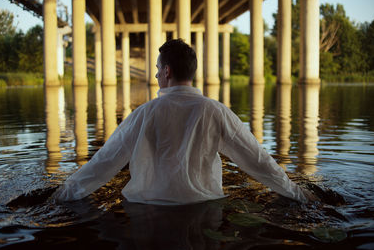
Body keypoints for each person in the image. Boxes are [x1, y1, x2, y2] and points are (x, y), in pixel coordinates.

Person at [54, 39, 314, 204]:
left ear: (167, 71)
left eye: (158, 69)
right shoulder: (217, 111)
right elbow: (258, 160)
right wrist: (297, 193)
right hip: (205, 208)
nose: (156, 75)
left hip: (149, 213)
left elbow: (103, 163)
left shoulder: (143, 114)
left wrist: (60, 195)